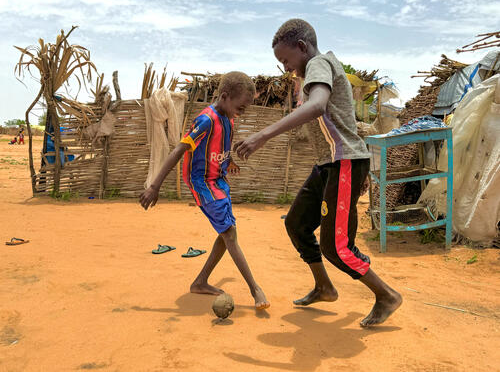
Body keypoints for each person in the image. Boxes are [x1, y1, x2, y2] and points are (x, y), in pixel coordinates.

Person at [234, 19, 401, 326]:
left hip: (345, 162)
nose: (285, 68)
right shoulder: (315, 70)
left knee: (336, 247)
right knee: (297, 224)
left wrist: (262, 135)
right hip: (330, 166)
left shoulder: (319, 64)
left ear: (302, 47)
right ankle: (324, 287)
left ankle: (386, 295)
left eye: (285, 60)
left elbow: (318, 106)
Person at [140, 71, 270, 310]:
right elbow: (179, 150)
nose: (243, 112)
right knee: (229, 234)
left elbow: (221, 145)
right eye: (241, 107)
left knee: (226, 233)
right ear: (224, 96)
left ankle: (200, 282)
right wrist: (155, 186)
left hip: (218, 180)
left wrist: (227, 161)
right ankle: (255, 289)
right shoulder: (205, 120)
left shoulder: (229, 118)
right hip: (202, 183)